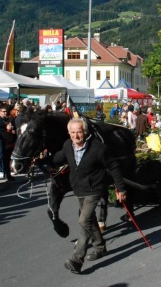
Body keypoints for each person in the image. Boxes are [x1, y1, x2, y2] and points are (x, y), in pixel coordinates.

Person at [53, 117, 127, 274]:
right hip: (79, 189)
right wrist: (43, 157)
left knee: (84, 220)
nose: (75, 135)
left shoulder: (98, 148)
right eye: (72, 132)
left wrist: (121, 189)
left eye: (78, 132)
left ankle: (77, 259)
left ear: (85, 132)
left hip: (94, 190)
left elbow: (113, 167)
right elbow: (58, 158)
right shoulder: (68, 146)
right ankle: (100, 247)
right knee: (90, 220)